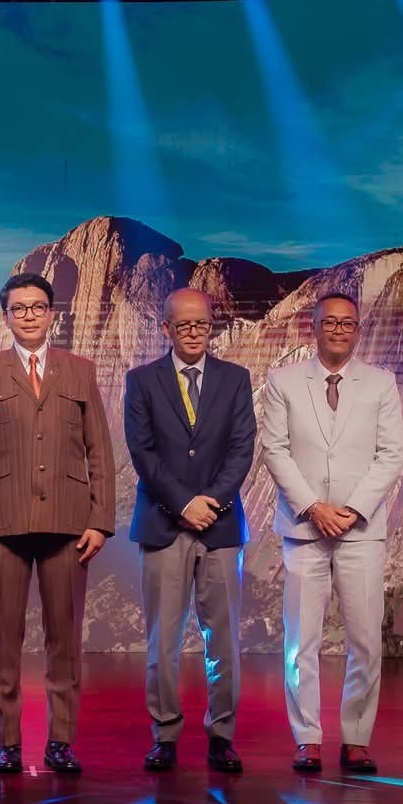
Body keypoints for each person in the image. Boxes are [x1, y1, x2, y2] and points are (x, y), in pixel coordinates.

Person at [0, 272, 115, 776]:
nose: (28, 315)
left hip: (68, 524)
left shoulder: (80, 370)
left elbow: (99, 451)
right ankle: (7, 742)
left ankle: (60, 742)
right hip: (2, 526)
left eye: (37, 307)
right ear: (6, 317)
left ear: (52, 314)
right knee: (2, 641)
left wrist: (100, 521)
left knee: (64, 641)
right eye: (19, 308)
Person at [260, 292, 403, 775]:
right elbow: (275, 450)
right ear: (314, 326)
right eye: (330, 322)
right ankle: (307, 738)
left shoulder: (381, 383)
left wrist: (354, 509)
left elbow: (391, 454)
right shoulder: (283, 382)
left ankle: (357, 738)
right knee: (301, 641)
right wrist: (312, 507)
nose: (339, 330)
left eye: (348, 323)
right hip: (304, 527)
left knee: (365, 640)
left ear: (358, 329)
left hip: (360, 530)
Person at [123, 288, 257, 774]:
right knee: (163, 641)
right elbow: (142, 452)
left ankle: (222, 736)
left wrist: (210, 503)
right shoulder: (141, 381)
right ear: (166, 328)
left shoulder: (235, 378)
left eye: (202, 324)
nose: (195, 332)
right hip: (163, 524)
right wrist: (182, 504)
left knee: (223, 641)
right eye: (184, 325)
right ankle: (165, 735)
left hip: (220, 527)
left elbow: (242, 448)